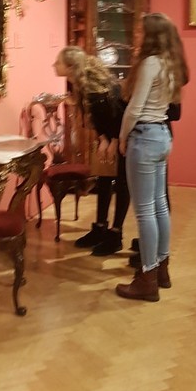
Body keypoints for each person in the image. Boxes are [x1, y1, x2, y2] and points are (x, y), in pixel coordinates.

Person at [116, 13, 189, 302]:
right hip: (162, 136)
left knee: (145, 211)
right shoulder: (171, 63)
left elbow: (134, 108)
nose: (136, 35)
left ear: (151, 35)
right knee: (159, 206)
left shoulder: (149, 63)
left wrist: (122, 137)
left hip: (144, 137)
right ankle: (161, 269)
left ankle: (147, 278)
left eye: (140, 31)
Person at [53, 46, 129, 256]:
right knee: (103, 179)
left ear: (70, 66)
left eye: (58, 62)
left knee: (122, 183)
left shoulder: (95, 89)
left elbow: (117, 116)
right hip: (111, 134)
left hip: (125, 136)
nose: (54, 65)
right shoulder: (83, 84)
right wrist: (103, 138)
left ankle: (116, 235)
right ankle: (100, 228)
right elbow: (97, 118)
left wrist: (113, 141)